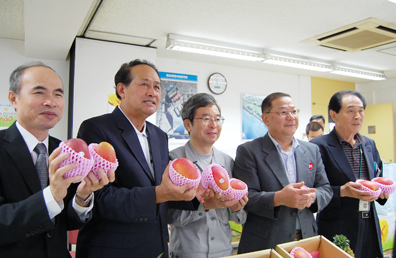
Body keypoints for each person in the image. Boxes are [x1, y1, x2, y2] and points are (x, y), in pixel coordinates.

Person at [0, 62, 114, 258]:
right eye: (39, 92)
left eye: (58, 94)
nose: (51, 102)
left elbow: (67, 222)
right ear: (13, 98)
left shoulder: (65, 150)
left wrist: (82, 197)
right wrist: (51, 195)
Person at [76, 59, 199, 258]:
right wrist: (159, 193)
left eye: (157, 87)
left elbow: (164, 187)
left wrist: (198, 195)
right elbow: (99, 197)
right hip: (113, 251)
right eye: (144, 84)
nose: (153, 92)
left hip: (156, 248)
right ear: (121, 90)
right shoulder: (97, 129)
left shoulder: (160, 135)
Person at [233, 92, 332, 254]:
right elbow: (246, 197)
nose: (291, 117)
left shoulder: (312, 150)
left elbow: (325, 188)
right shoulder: (249, 151)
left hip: (306, 239)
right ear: (266, 119)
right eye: (283, 112)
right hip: (266, 241)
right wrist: (279, 198)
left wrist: (312, 197)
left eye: (294, 111)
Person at [168, 93, 248, 258]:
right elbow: (170, 215)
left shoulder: (227, 162)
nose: (214, 125)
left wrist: (236, 208)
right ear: (188, 125)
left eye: (218, 119)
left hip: (223, 251)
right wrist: (204, 205)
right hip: (187, 252)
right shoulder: (174, 161)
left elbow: (239, 218)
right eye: (206, 119)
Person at [310, 90, 388, 258]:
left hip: (369, 225)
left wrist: (382, 191)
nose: (358, 116)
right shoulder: (318, 146)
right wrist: (342, 192)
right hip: (337, 227)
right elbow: (312, 190)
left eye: (361, 110)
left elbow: (377, 176)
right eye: (351, 110)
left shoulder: (368, 144)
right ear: (334, 114)